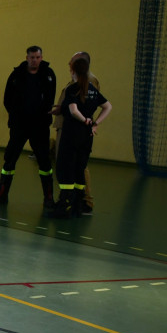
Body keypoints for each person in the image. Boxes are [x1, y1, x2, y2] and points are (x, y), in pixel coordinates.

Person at [0, 45, 57, 207]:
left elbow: (50, 98)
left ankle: (48, 197)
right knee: (10, 159)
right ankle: (2, 194)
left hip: (40, 126)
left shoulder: (49, 75)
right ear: (27, 57)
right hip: (19, 125)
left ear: (41, 58)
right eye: (31, 57)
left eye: (37, 57)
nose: (34, 60)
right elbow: (7, 99)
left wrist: (43, 115)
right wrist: (16, 116)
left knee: (44, 161)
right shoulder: (16, 75)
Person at [51, 56, 112, 217]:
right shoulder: (92, 88)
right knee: (79, 168)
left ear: (73, 70)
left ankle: (64, 206)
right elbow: (108, 106)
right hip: (87, 135)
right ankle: (77, 205)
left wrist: (84, 120)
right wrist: (94, 122)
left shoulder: (74, 88)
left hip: (72, 133)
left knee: (66, 168)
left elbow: (73, 111)